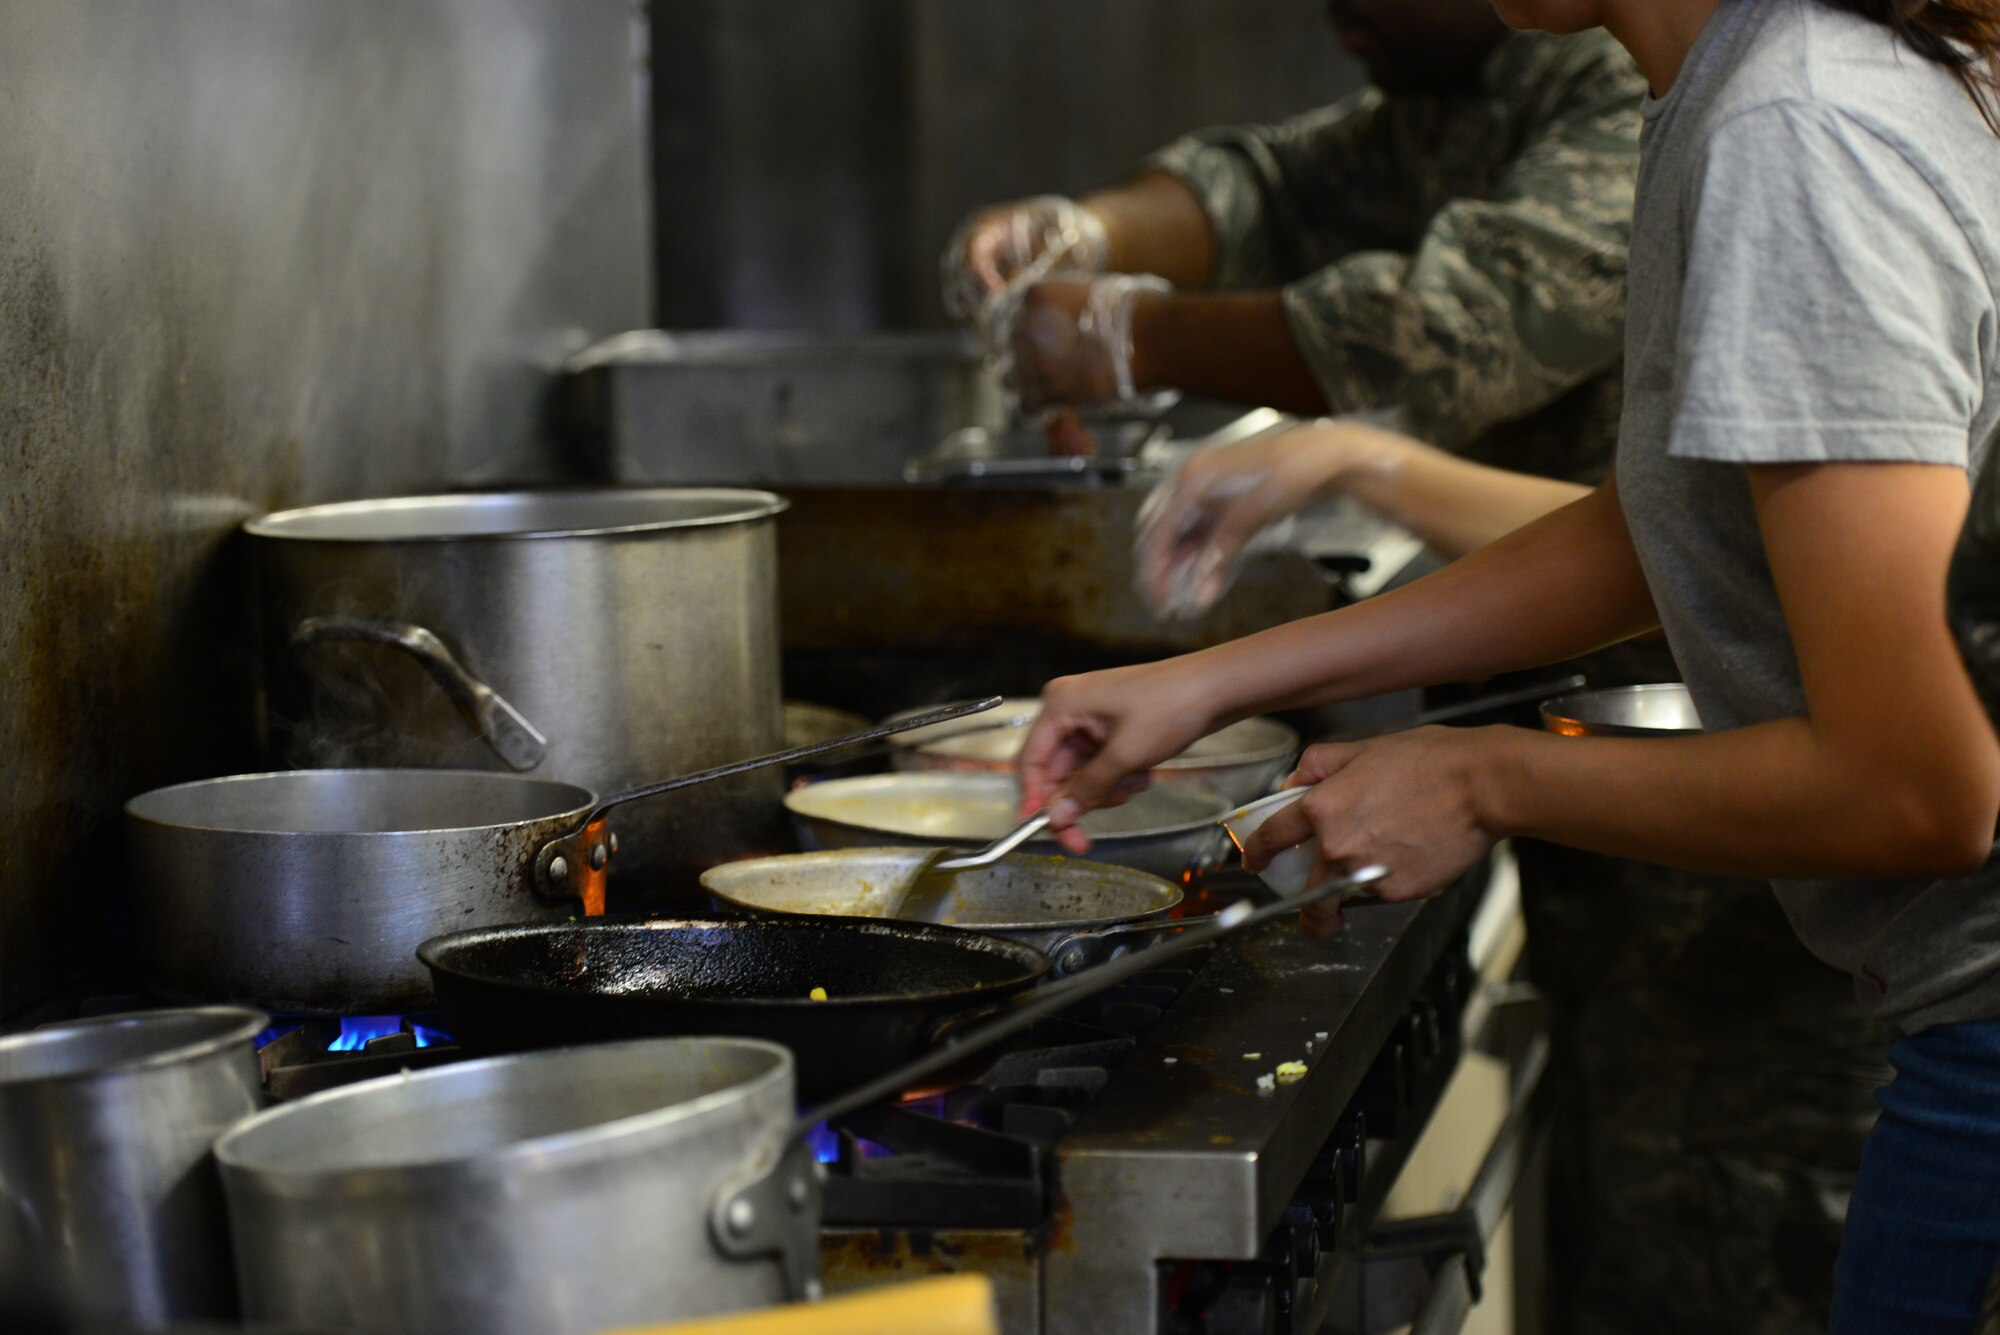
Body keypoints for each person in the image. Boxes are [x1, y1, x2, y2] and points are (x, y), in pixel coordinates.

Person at [1018, 1, 2000, 1330]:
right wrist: (1215, 681)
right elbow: (1670, 525)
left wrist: (1487, 777)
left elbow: (1920, 787)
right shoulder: (1745, 80)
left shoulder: (1795, 125)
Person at [942, 0, 1640, 486]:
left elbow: (1455, 331)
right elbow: (1279, 191)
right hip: (1525, 626)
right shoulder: (1450, 94)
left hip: (1659, 664)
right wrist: (1092, 232)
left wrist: (1132, 339)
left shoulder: (1623, 79)